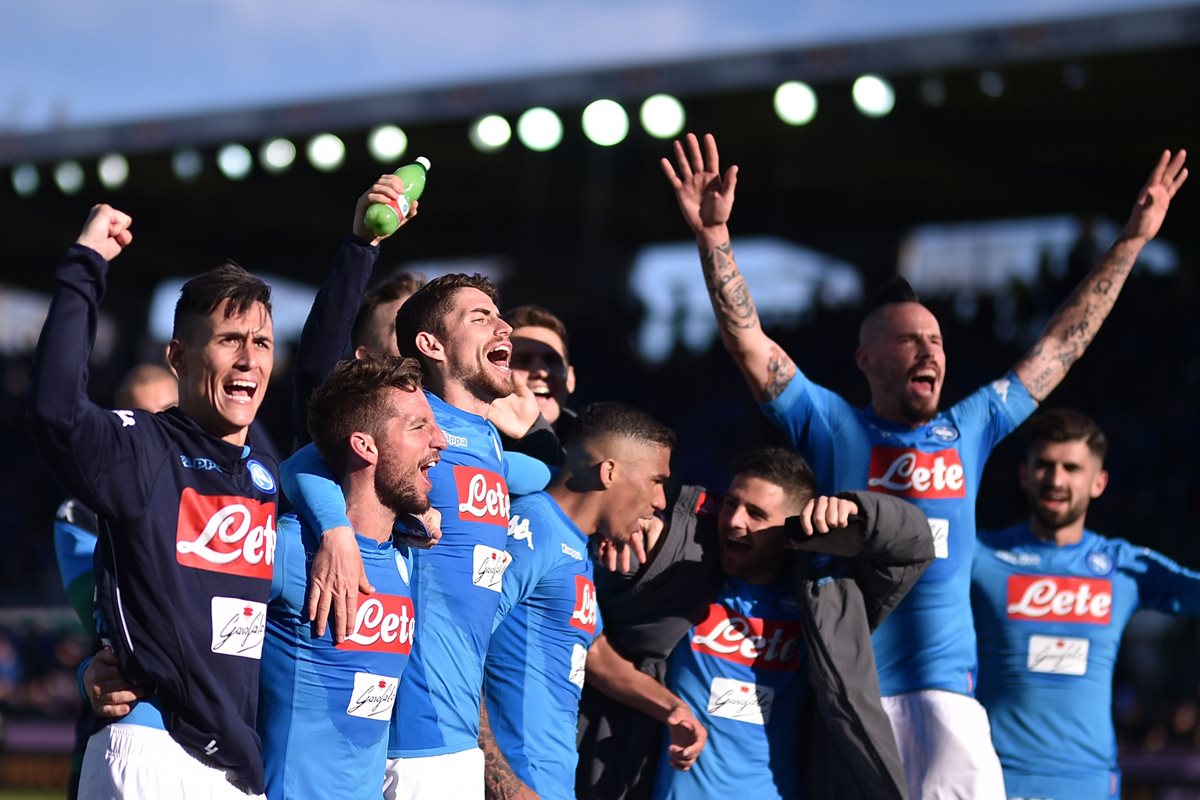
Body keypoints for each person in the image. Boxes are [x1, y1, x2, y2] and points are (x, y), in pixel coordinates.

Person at [661, 132, 1188, 797]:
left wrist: (1131, 242)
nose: (927, 351)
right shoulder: (832, 424)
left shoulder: (972, 424)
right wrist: (714, 239)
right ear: (867, 359)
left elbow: (1061, 345)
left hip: (946, 700)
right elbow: (748, 344)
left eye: (935, 339)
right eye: (908, 340)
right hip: (856, 697)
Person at [29, 205, 279, 798]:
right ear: (178, 358)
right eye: (228, 341)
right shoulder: (143, 448)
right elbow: (55, 410)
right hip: (156, 749)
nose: (249, 359)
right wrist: (85, 265)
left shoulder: (265, 473)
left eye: (262, 342)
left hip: (235, 760)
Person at [282, 271, 550, 799]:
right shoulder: (415, 428)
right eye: (481, 318)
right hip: (412, 740)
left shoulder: (485, 439)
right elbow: (301, 462)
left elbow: (539, 476)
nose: (505, 326)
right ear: (431, 345)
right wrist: (335, 531)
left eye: (500, 315)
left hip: (456, 737)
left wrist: (536, 434)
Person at [581, 446, 933, 799]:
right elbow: (594, 635)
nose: (734, 521)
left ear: (791, 533)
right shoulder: (687, 581)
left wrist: (861, 509)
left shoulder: (825, 605)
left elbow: (913, 547)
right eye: (731, 503)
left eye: (756, 514)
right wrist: (623, 528)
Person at [972, 409, 1200, 800]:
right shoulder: (979, 556)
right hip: (994, 780)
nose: (1056, 479)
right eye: (1044, 465)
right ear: (1024, 474)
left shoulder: (1124, 567)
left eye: (1071, 468)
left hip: (1089, 784)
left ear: (1098, 482)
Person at [258, 356, 445, 799]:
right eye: (419, 427)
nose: (440, 441)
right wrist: (95, 669)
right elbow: (180, 598)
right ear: (364, 446)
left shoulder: (404, 555)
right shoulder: (290, 548)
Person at [480, 402, 673, 800]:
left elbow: (594, 652)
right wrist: (503, 783)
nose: (660, 501)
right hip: (514, 781)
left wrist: (674, 709)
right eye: (656, 480)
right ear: (610, 472)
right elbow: (456, 646)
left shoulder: (575, 545)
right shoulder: (535, 526)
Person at [53, 363, 178, 799]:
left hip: (212, 741)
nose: (157, 428)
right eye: (142, 416)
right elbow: (112, 611)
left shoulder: (229, 493)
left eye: (169, 412)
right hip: (119, 725)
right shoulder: (80, 511)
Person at [493, 304, 579, 467]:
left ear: (571, 379)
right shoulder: (470, 442)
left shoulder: (604, 451)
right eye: (522, 360)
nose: (541, 371)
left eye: (552, 361)